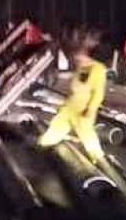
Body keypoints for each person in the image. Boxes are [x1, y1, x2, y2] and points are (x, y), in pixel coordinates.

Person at [37, 28, 108, 163]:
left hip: (83, 108)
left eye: (77, 57)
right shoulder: (81, 68)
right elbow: (75, 88)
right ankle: (43, 144)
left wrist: (91, 109)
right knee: (57, 125)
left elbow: (98, 93)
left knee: (87, 134)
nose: (75, 60)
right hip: (71, 106)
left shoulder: (98, 69)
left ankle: (98, 158)